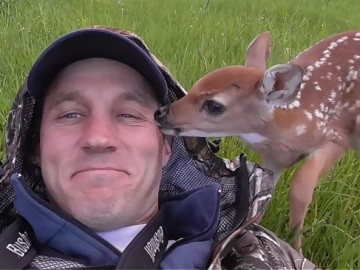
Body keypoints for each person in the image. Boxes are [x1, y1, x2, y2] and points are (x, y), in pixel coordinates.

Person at [0, 26, 318, 269]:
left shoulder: (259, 254)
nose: (98, 138)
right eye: (71, 114)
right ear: (35, 147)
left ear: (167, 145)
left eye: (128, 114)